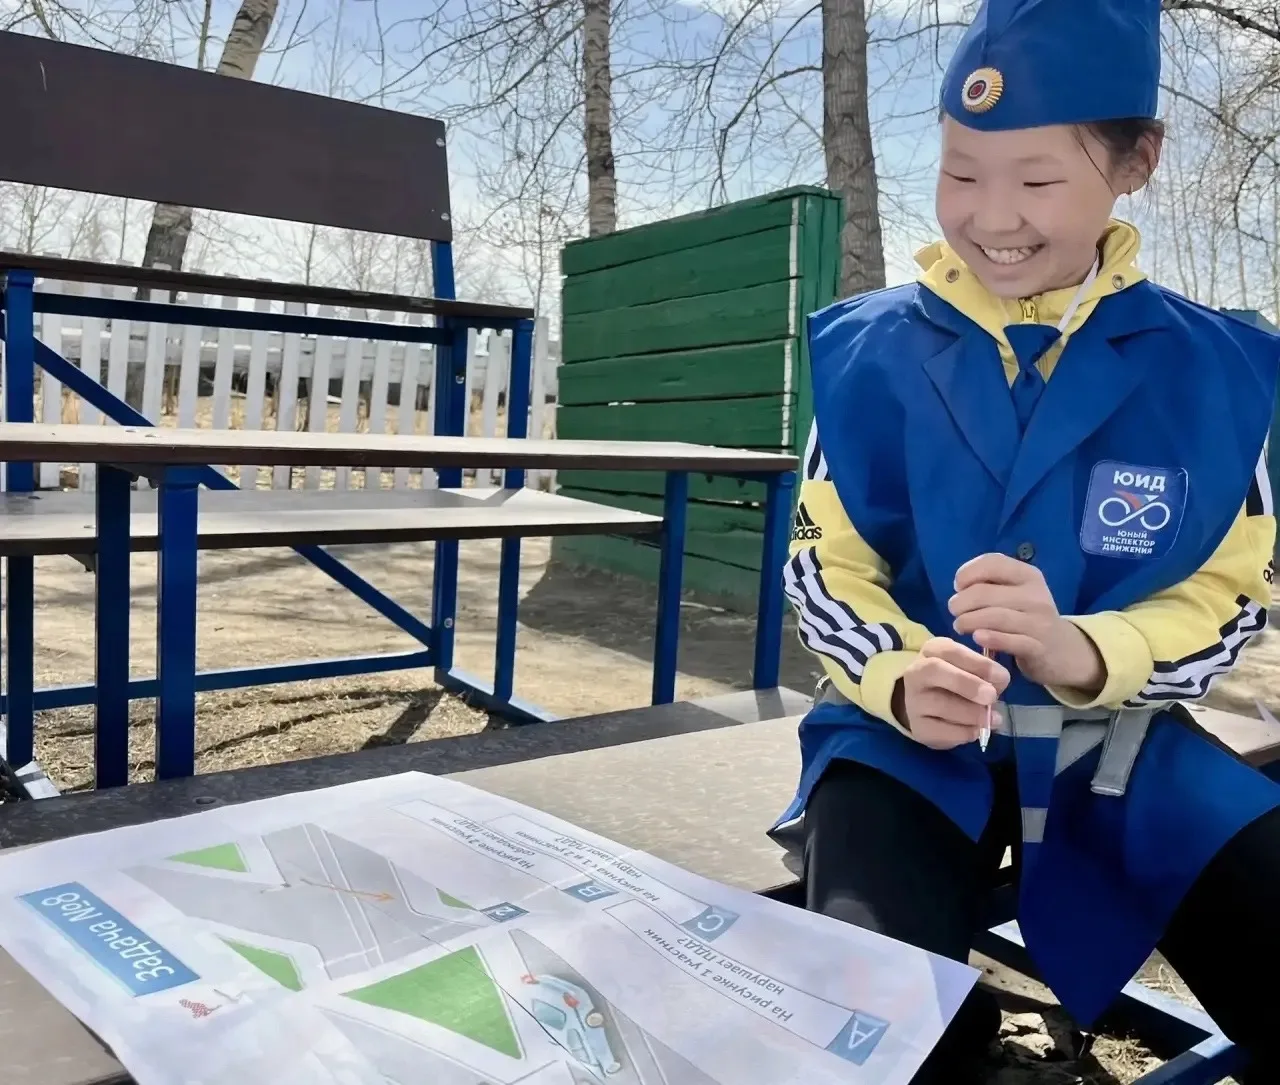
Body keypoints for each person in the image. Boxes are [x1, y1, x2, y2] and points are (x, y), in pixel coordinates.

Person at [770, 0, 1280, 1082]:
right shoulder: (865, 354)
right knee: (874, 1022)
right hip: (900, 740)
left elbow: (1228, 600)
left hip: (1120, 741)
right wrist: (898, 674)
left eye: (1036, 180)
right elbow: (823, 567)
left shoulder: (1220, 374)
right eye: (960, 172)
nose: (990, 215)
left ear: (1136, 162)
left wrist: (1086, 650)